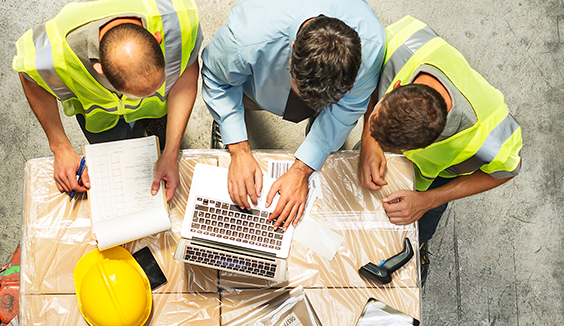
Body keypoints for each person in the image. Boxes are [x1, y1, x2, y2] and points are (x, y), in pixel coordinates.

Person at [200, 0, 384, 229]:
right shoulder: (247, 36)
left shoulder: (373, 44)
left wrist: (302, 169)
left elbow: (347, 109)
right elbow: (217, 80)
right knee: (236, 98)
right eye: (304, 95)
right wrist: (238, 149)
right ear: (293, 47)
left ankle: (318, 136)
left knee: (333, 123)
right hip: (257, 85)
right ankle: (228, 124)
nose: (309, 105)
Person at [14, 0, 203, 200]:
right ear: (100, 70)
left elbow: (185, 73)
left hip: (160, 113)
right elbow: (29, 76)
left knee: (162, 140)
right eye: (137, 95)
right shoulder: (52, 50)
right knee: (117, 156)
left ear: (157, 39)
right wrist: (60, 147)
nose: (148, 98)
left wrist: (171, 153)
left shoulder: (178, 23)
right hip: (102, 118)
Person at [357, 17, 522, 244]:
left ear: (423, 147)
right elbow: (370, 79)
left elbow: (506, 172)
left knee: (418, 230)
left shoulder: (488, 136)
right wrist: (368, 139)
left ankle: (420, 246)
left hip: (434, 184)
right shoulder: (400, 42)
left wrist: (427, 201)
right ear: (396, 86)